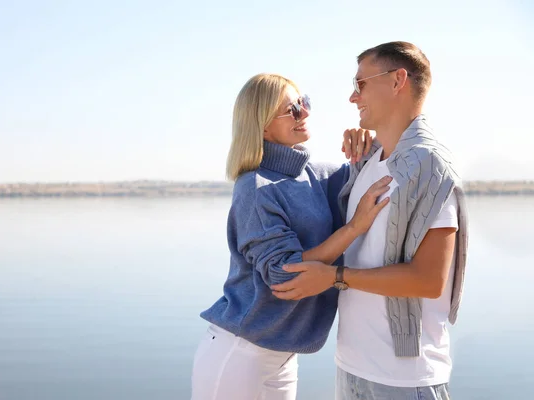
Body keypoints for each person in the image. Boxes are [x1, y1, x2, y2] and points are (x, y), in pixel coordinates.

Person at [272, 41, 468, 400]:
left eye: (360, 84)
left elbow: (428, 279)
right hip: (351, 368)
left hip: (405, 379)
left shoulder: (429, 167)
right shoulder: (368, 163)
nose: (351, 97)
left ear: (398, 81)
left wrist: (334, 277)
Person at [190, 72, 391, 400]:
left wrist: (367, 138)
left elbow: (377, 163)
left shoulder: (317, 175)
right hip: (240, 355)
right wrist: (354, 228)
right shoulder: (255, 189)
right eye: (292, 110)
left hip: (282, 356)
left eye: (304, 103)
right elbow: (284, 275)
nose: (305, 113)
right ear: (263, 125)